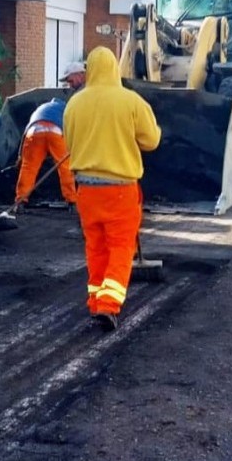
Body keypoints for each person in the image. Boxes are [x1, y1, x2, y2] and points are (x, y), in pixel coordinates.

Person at [63, 46, 161, 331]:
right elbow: (151, 140)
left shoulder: (74, 105)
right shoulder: (131, 101)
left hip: (86, 191)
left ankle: (95, 300)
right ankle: (108, 304)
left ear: (90, 69)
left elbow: (69, 145)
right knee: (120, 247)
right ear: (115, 68)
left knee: (96, 246)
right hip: (120, 190)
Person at [14, 96, 77, 208]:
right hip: (56, 132)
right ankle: (72, 200)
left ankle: (21, 201)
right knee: (65, 167)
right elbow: (71, 129)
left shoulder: (40, 109)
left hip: (34, 132)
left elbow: (25, 133)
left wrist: (20, 156)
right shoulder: (65, 108)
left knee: (28, 168)